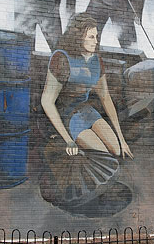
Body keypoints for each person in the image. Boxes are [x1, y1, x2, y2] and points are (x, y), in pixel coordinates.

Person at [41, 13, 132, 159]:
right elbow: (47, 101)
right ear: (77, 37)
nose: (95, 41)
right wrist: (68, 140)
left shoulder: (96, 60)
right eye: (91, 37)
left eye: (96, 36)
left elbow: (105, 97)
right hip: (67, 115)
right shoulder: (61, 58)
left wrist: (122, 139)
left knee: (116, 150)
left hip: (86, 110)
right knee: (103, 154)